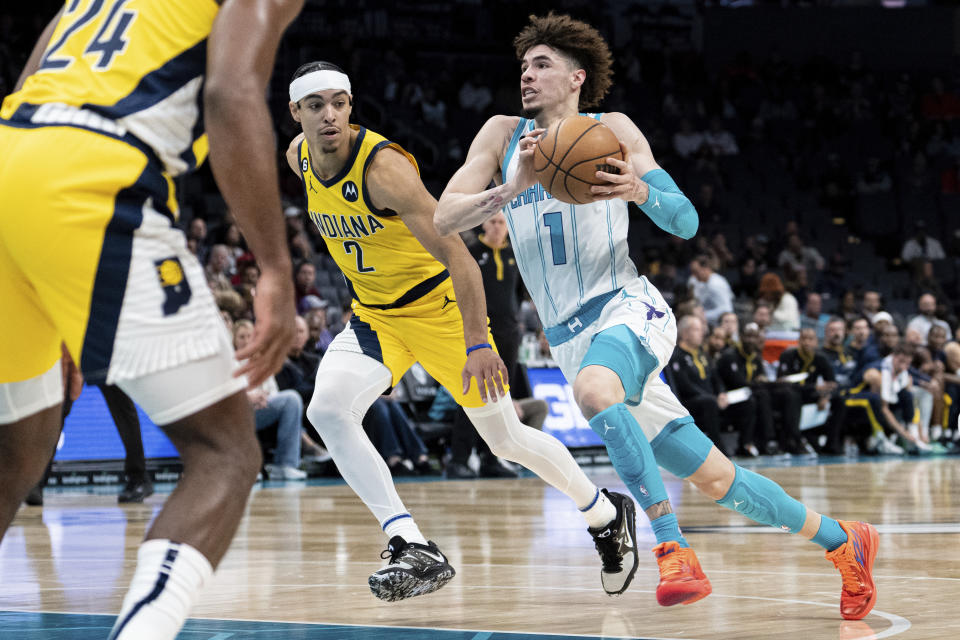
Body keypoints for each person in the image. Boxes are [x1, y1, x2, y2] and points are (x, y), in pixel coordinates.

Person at [433, 12, 878, 619]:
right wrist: (509, 189)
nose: (527, 77)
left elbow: (686, 221)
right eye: (523, 67)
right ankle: (844, 541)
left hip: (628, 307)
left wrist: (639, 192)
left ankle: (672, 546)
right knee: (721, 482)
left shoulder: (610, 129)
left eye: (541, 65)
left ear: (576, 77)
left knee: (595, 389)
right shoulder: (502, 134)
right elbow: (443, 218)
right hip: (569, 339)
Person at [0, 2, 302, 639]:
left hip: (11, 153)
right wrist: (274, 266)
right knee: (225, 451)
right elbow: (230, 90)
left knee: (15, 456)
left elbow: (28, 83)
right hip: (92, 175)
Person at [284, 61, 629, 602]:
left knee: (505, 440)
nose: (329, 114)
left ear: (351, 106)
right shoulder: (297, 157)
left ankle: (605, 514)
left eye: (339, 102)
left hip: (440, 311)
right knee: (326, 409)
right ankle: (410, 544)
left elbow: (459, 258)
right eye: (315, 105)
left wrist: (475, 344)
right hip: (376, 317)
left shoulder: (383, 169)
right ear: (296, 113)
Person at [688, 254, 734, 326]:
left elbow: (727, 309)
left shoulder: (716, 284)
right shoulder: (699, 282)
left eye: (696, 272)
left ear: (706, 269)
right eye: (692, 272)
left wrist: (704, 315)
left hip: (721, 326)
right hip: (708, 323)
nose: (694, 275)